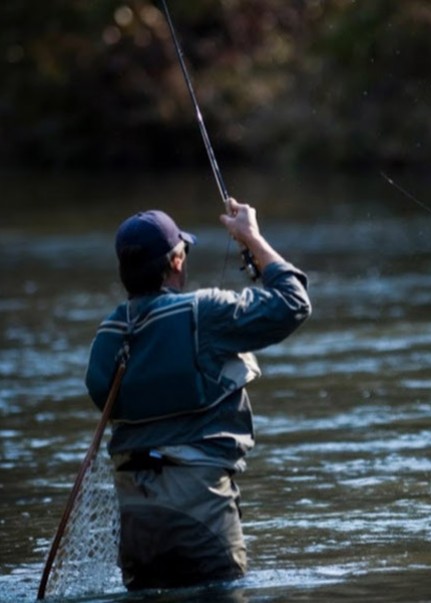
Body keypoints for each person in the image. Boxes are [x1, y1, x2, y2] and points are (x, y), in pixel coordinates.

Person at [85, 198, 311, 590]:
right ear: (176, 261)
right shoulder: (203, 312)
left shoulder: (107, 336)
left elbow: (101, 391)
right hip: (200, 517)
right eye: (183, 252)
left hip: (137, 524)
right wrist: (252, 239)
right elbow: (293, 304)